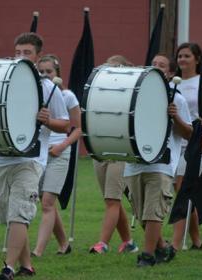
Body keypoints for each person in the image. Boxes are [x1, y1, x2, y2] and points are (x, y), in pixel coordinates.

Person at [0, 32, 69, 279]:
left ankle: (8, 267)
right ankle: (27, 265)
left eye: (27, 53)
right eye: (18, 52)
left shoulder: (48, 87)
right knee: (9, 214)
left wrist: (49, 121)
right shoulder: (2, 82)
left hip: (31, 159)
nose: (21, 57)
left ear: (38, 56)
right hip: (1, 158)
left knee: (20, 213)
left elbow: (66, 124)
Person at [124, 65, 193, 266]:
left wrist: (175, 116)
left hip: (161, 163)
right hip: (134, 164)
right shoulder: (133, 97)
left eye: (162, 65)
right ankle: (163, 248)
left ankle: (147, 256)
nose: (156, 67)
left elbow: (188, 133)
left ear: (170, 73)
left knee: (153, 211)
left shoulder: (176, 98)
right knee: (142, 215)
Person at [88, 55, 139, 255]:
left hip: (121, 152)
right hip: (100, 151)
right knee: (112, 200)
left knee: (112, 200)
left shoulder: (129, 96)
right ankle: (129, 243)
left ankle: (102, 244)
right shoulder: (99, 94)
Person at [31, 54, 81, 256]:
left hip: (59, 152)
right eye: (41, 72)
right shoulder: (35, 95)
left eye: (49, 72)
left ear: (57, 73)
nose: (45, 75)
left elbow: (77, 129)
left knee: (47, 203)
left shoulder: (67, 96)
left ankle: (38, 251)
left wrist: (61, 146)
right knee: (46, 202)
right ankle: (63, 243)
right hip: (40, 152)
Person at [169, 43, 202, 251]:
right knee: (181, 188)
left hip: (198, 140)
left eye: (187, 56)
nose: (182, 60)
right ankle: (196, 240)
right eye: (179, 56)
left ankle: (176, 242)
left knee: (182, 188)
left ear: (197, 59)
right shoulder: (171, 84)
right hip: (177, 141)